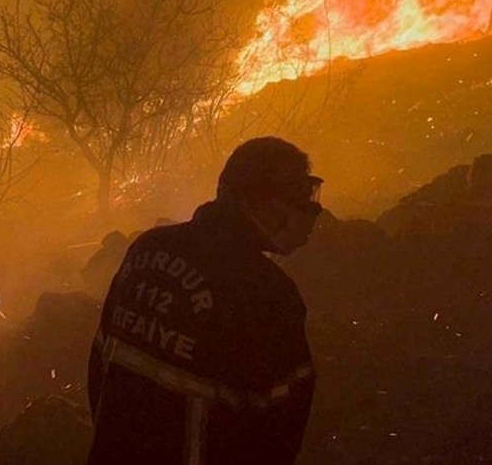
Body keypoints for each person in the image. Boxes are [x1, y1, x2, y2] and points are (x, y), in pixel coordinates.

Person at [87, 137, 322, 465]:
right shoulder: (268, 291)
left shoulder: (147, 249)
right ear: (250, 200)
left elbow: (100, 364)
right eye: (293, 196)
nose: (308, 210)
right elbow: (281, 423)